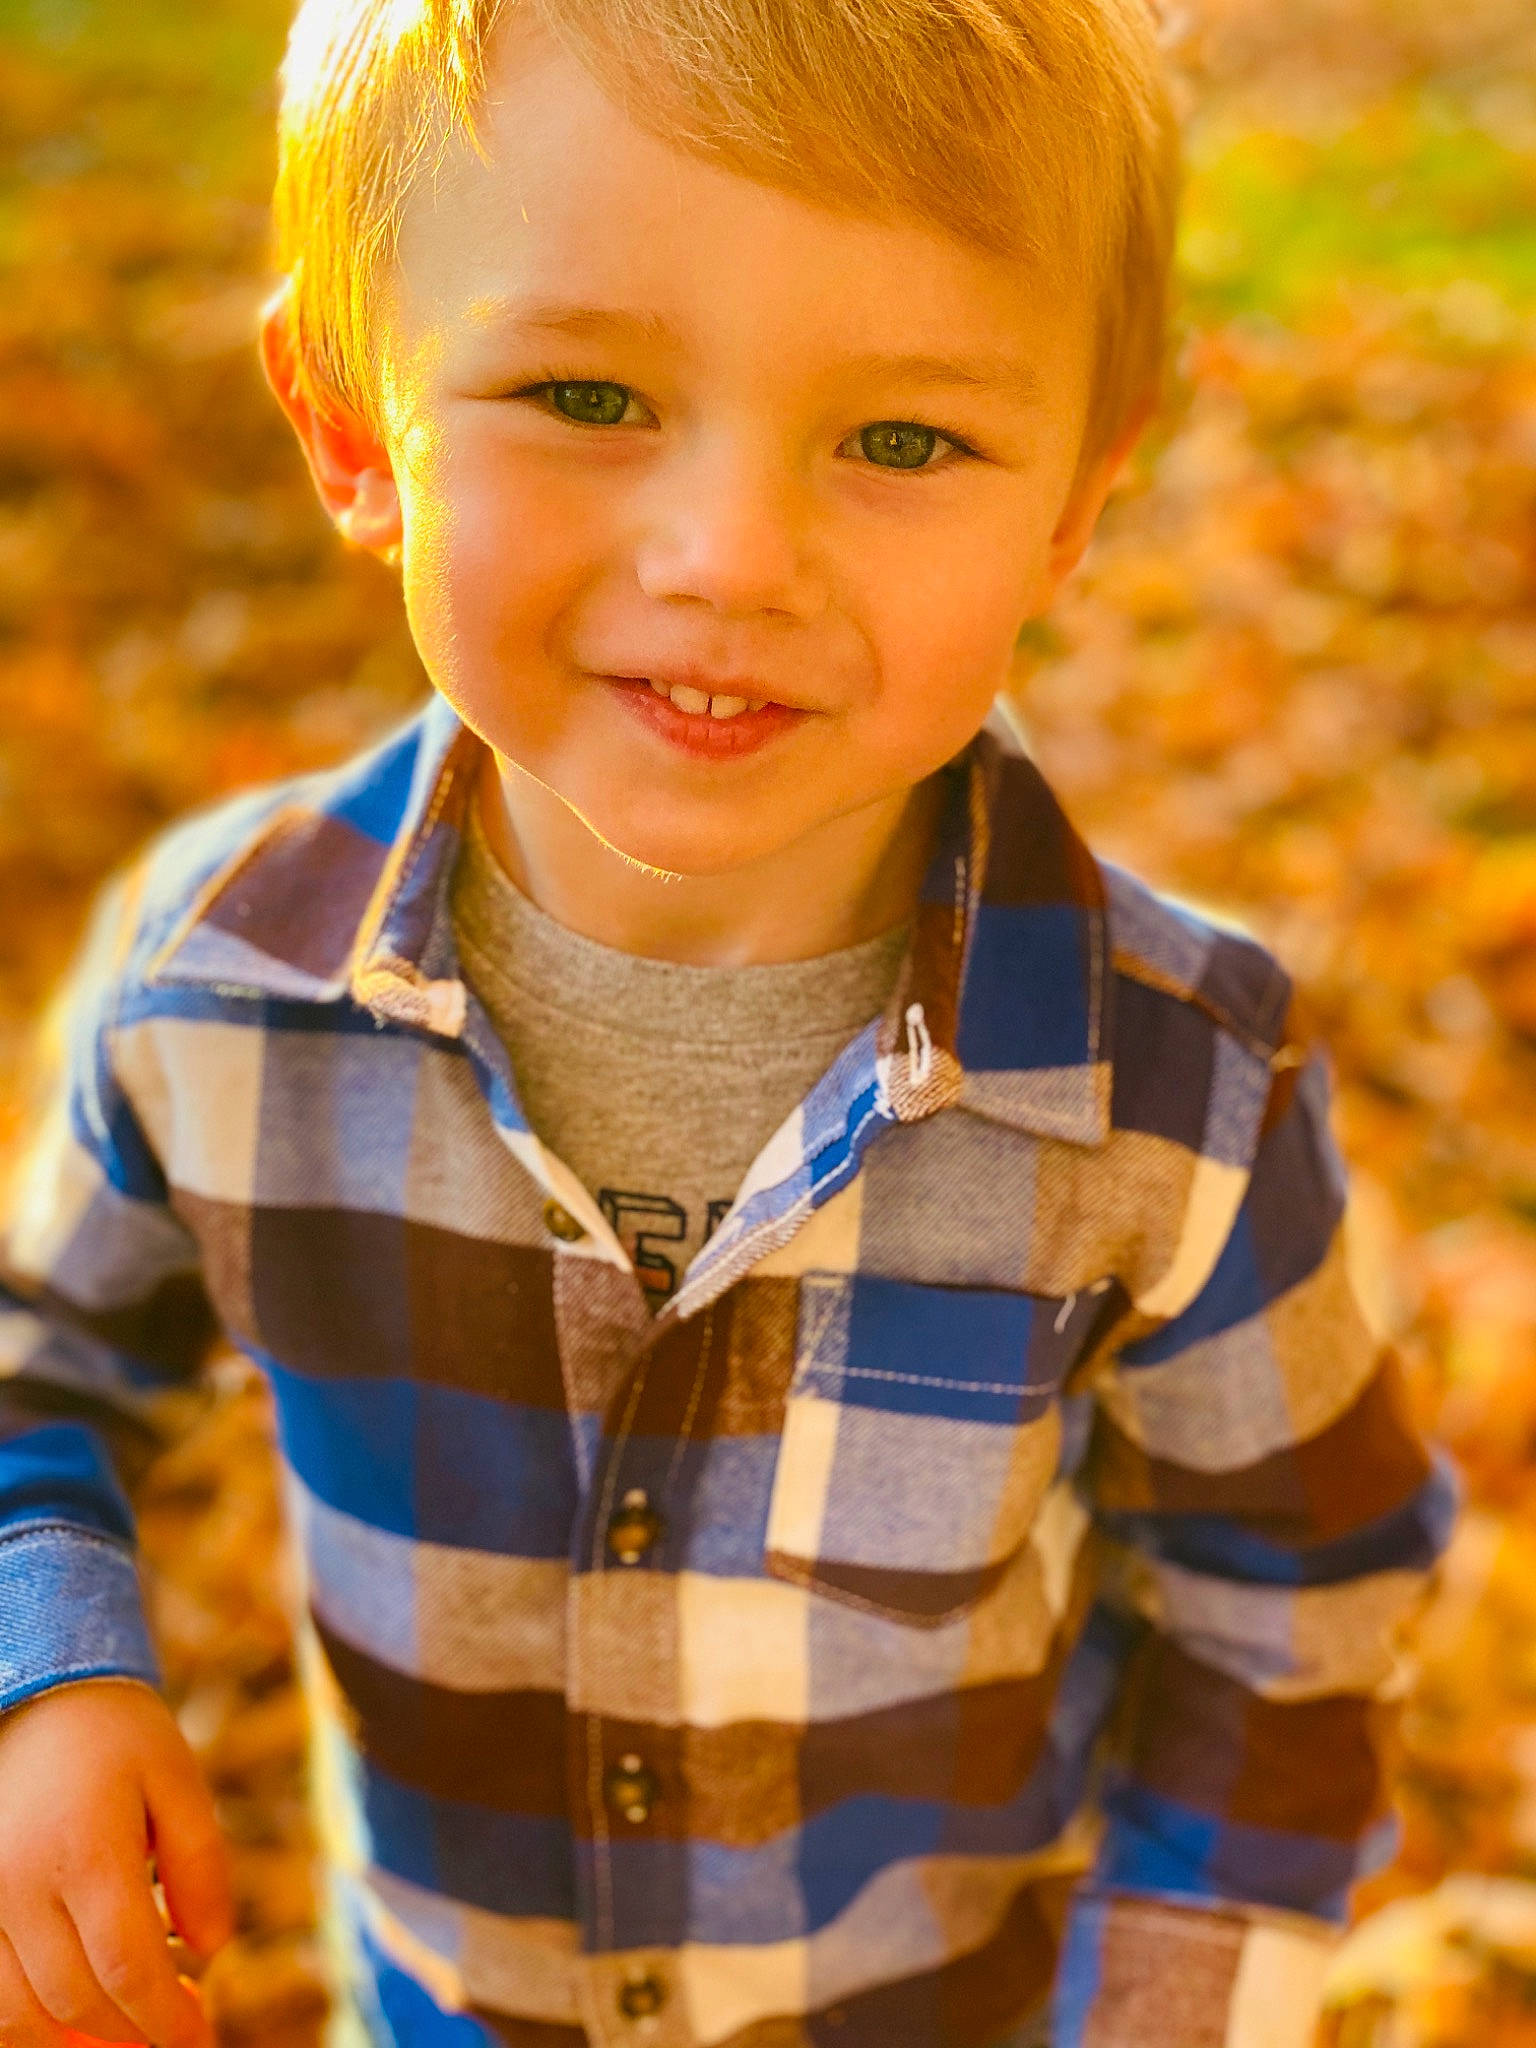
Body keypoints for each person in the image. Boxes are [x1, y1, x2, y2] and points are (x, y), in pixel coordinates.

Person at [0, 0, 1458, 2043]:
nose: (729, 559)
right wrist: (46, 1677)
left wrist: (1167, 2008)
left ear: (1071, 503)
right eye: (587, 390)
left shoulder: (1175, 1090)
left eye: (901, 440)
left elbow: (1292, 1589)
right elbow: (33, 1359)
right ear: (352, 428)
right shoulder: (220, 987)